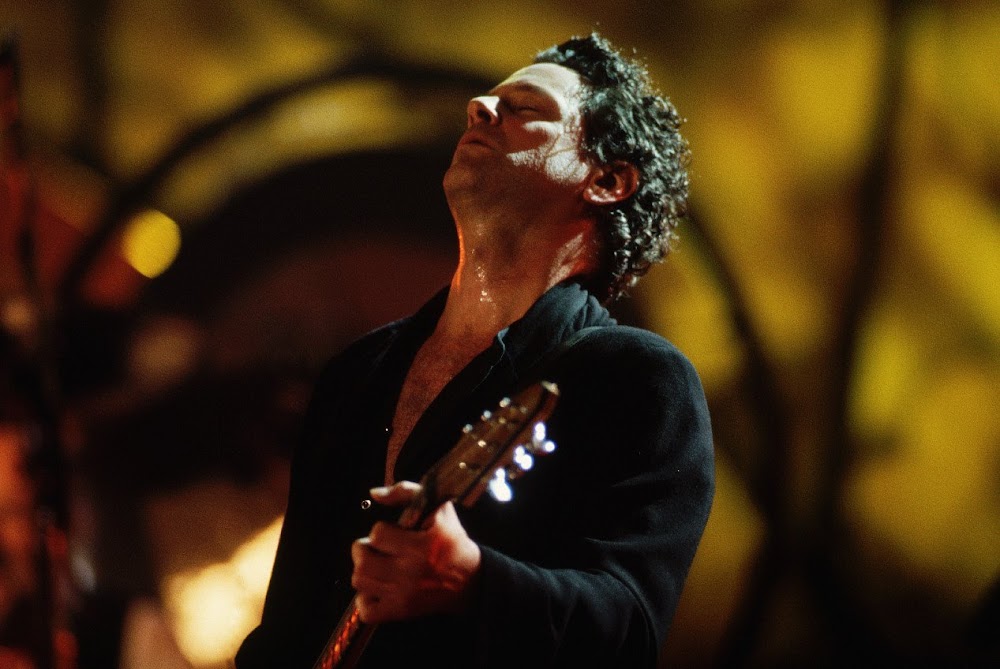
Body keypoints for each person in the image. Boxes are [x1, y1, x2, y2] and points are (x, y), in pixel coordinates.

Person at [235, 32, 714, 668]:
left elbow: (626, 634)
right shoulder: (356, 373)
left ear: (607, 179)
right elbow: (286, 627)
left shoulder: (638, 380)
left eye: (526, 108)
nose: (480, 108)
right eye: (484, 102)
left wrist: (473, 582)